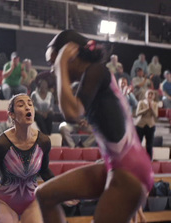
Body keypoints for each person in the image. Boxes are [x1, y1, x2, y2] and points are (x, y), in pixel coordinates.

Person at [35, 30, 153, 223]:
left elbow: (71, 113)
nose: (53, 69)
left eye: (53, 62)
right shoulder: (91, 78)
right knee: (45, 195)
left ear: (69, 55)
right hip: (114, 165)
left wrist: (61, 63)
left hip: (130, 171)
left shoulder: (97, 71)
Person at [0, 94, 53, 223]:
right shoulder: (2, 143)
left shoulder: (44, 141)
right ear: (11, 114)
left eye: (30, 104)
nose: (27, 107)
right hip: (5, 202)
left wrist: (63, 193)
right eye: (21, 105)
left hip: (31, 202)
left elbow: (45, 171)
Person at [135, 90, 158, 160]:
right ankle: (136, 159)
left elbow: (156, 115)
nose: (150, 95)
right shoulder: (141, 102)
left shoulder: (155, 104)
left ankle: (149, 161)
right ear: (146, 95)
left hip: (150, 125)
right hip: (140, 125)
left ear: (154, 96)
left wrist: (151, 108)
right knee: (138, 144)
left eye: (152, 94)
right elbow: (137, 113)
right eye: (149, 94)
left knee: (149, 145)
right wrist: (147, 109)